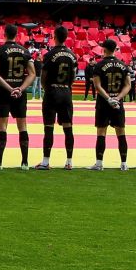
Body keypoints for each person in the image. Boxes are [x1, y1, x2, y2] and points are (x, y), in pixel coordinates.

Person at [0, 24, 35, 170]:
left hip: (4, 93)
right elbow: (32, 74)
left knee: (2, 126)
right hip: (20, 94)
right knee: (22, 126)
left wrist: (9, 88)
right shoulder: (25, 51)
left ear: (4, 33)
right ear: (17, 34)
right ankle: (25, 163)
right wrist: (20, 89)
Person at [88, 38, 131, 171]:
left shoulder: (99, 65)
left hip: (103, 103)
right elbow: (128, 85)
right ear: (115, 50)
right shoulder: (123, 65)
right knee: (121, 132)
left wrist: (108, 98)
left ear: (104, 49)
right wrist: (117, 98)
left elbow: (97, 86)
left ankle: (99, 163)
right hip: (118, 103)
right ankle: (124, 163)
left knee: (101, 132)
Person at [39, 27, 78, 170]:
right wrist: (66, 86)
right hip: (66, 92)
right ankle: (69, 161)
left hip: (52, 91)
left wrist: (47, 89)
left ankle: (45, 161)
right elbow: (73, 76)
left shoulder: (49, 55)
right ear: (66, 37)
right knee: (68, 128)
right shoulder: (72, 55)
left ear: (54, 36)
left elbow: (43, 77)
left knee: (49, 128)